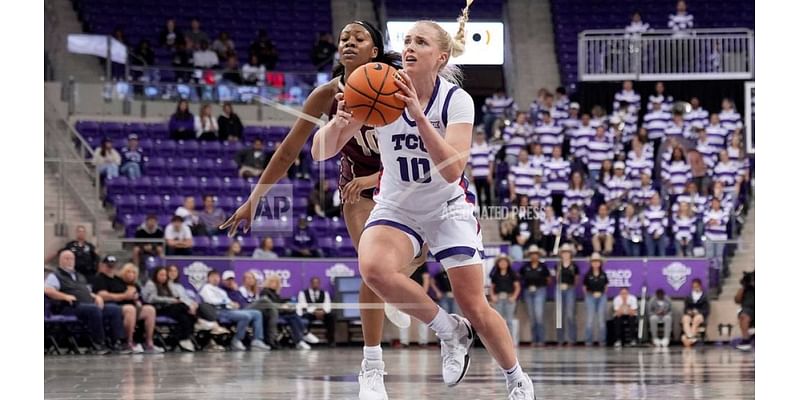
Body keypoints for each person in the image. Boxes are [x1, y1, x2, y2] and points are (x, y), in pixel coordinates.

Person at [309, 9, 536, 399]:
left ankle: (516, 378)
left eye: (421, 42)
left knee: (475, 304)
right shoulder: (377, 86)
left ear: (440, 57)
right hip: (398, 206)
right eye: (408, 41)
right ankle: (450, 329)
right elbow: (319, 152)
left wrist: (418, 115)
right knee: (374, 269)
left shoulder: (456, 101)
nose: (410, 48)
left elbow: (453, 169)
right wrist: (340, 121)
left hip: (448, 207)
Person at [220, 20, 427, 400]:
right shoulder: (326, 95)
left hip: (402, 180)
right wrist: (255, 199)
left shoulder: (399, 86)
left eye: (358, 38)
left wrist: (375, 179)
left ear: (375, 51)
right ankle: (372, 368)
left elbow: (422, 148)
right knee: (370, 266)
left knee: (414, 255)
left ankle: (399, 285)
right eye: (344, 38)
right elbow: (288, 150)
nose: (349, 42)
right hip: (356, 190)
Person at [44, 250, 125, 354]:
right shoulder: (55, 276)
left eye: (72, 259)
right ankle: (98, 344)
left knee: (115, 309)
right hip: (69, 307)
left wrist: (97, 297)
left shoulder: (80, 276)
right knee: (94, 310)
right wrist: (64, 296)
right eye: (66, 258)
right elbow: (47, 290)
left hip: (87, 305)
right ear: (60, 261)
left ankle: (116, 342)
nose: (69, 261)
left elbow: (87, 291)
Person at [199, 270, 271, 351]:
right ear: (208, 278)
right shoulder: (206, 288)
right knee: (245, 316)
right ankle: (237, 340)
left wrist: (233, 304)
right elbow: (211, 301)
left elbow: (228, 301)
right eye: (213, 277)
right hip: (218, 311)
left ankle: (257, 340)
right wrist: (227, 303)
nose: (215, 279)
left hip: (229, 310)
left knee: (257, 313)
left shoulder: (220, 291)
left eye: (217, 277)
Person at [110, 262, 163, 353]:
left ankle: (149, 342)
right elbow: (115, 296)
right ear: (123, 272)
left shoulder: (136, 285)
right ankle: (129, 342)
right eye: (128, 272)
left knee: (150, 310)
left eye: (133, 272)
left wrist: (137, 300)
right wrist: (126, 295)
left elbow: (141, 299)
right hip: (120, 307)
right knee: (131, 309)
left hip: (135, 307)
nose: (131, 274)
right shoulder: (116, 282)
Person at [141, 266, 198, 352]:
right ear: (156, 275)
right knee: (183, 308)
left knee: (185, 316)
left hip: (169, 307)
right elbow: (152, 299)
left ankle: (181, 338)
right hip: (157, 308)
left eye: (165, 275)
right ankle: (183, 337)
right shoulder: (151, 284)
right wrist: (170, 300)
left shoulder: (167, 285)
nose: (163, 277)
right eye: (161, 275)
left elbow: (176, 296)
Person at [261, 275, 317, 349]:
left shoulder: (274, 292)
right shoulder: (265, 292)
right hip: (271, 314)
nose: (277, 284)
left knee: (293, 317)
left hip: (278, 312)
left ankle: (299, 340)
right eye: (275, 282)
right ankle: (304, 334)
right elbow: (271, 304)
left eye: (278, 283)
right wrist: (283, 307)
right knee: (292, 314)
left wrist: (288, 301)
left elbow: (279, 301)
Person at [237, 271, 280, 348]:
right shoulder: (241, 290)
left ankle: (265, 340)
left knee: (268, 312)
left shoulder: (255, 293)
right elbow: (241, 303)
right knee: (264, 300)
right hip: (243, 310)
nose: (250, 280)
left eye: (252, 278)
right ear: (244, 280)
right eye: (248, 278)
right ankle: (271, 339)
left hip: (253, 311)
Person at [518, 245, 549, 346]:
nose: (534, 256)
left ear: (538, 255)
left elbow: (548, 279)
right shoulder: (525, 267)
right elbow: (520, 277)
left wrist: (541, 286)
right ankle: (534, 340)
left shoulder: (543, 266)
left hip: (540, 290)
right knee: (532, 316)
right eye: (532, 254)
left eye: (535, 254)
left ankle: (541, 339)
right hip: (528, 291)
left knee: (539, 315)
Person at [297, 276, 337, 346]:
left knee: (331, 316)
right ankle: (308, 340)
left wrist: (323, 311)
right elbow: (303, 305)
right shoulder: (303, 293)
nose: (315, 284)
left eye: (317, 283)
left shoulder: (325, 293)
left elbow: (327, 304)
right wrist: (314, 311)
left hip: (322, 313)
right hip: (310, 313)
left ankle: (331, 340)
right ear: (311, 283)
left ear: (319, 284)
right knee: (305, 318)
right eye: (314, 283)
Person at [399, 265, 433, 347]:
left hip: (419, 294)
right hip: (406, 294)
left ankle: (423, 341)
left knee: (423, 319)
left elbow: (426, 279)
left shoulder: (421, 263)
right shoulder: (404, 262)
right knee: (404, 318)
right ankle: (404, 342)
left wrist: (423, 294)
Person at [489, 254, 521, 335]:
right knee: (498, 320)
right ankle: (499, 339)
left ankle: (510, 340)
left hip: (509, 298)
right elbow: (492, 287)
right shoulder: (495, 274)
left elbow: (517, 287)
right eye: (501, 262)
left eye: (504, 261)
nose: (503, 263)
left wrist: (514, 297)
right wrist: (493, 296)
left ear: (508, 263)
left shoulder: (512, 274)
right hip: (498, 299)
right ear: (498, 263)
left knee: (509, 320)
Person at [583, 253, 609, 346]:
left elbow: (606, 286)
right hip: (590, 296)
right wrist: (590, 295)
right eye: (593, 261)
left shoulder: (603, 274)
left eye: (597, 261)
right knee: (590, 319)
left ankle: (602, 340)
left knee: (601, 319)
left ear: (600, 263)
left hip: (601, 296)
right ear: (591, 263)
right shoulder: (587, 275)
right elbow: (584, 287)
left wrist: (601, 294)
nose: (595, 263)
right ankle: (588, 340)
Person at [556, 244, 579, 346]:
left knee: (570, 314)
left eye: (567, 252)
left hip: (570, 288)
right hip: (559, 288)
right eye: (564, 252)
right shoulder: (558, 265)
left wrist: (571, 286)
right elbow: (556, 278)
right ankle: (560, 339)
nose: (566, 254)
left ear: (570, 254)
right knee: (559, 315)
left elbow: (576, 279)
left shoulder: (574, 266)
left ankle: (571, 339)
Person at [468, 130, 493, 210]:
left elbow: (491, 162)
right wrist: (471, 175)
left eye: (481, 134)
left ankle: (489, 212)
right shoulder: (472, 148)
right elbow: (469, 164)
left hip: (486, 174)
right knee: (478, 194)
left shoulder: (488, 147)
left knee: (487, 193)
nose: (479, 136)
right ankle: (481, 212)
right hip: (476, 174)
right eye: (478, 135)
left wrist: (490, 174)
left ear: (484, 136)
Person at [681, 279, 709, 347]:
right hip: (690, 314)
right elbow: (685, 308)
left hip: (700, 314)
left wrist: (698, 312)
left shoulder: (704, 297)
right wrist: (689, 312)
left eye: (697, 286)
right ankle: (690, 337)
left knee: (696, 319)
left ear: (700, 286)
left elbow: (706, 309)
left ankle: (688, 338)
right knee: (685, 318)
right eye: (694, 286)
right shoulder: (688, 296)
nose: (695, 288)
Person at [734, 271, 755, 351]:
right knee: (743, 316)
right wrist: (744, 286)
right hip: (748, 309)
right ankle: (746, 340)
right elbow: (737, 300)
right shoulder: (745, 289)